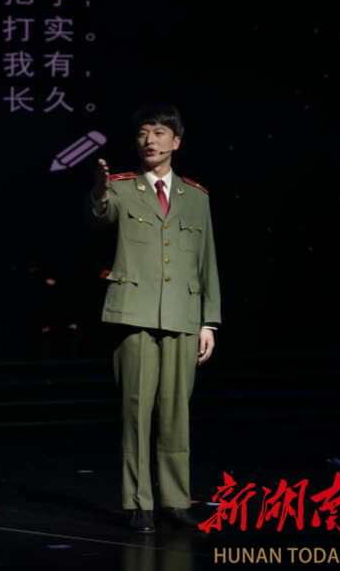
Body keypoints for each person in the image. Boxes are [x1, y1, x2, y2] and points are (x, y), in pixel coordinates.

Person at [86, 105, 221, 534]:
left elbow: (206, 261)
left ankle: (176, 501)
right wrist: (100, 191)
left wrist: (209, 322)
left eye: (159, 133)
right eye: (144, 133)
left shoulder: (196, 196)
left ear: (176, 142)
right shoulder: (123, 187)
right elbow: (100, 214)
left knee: (176, 412)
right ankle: (139, 502)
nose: (150, 141)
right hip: (135, 314)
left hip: (183, 315)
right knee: (136, 411)